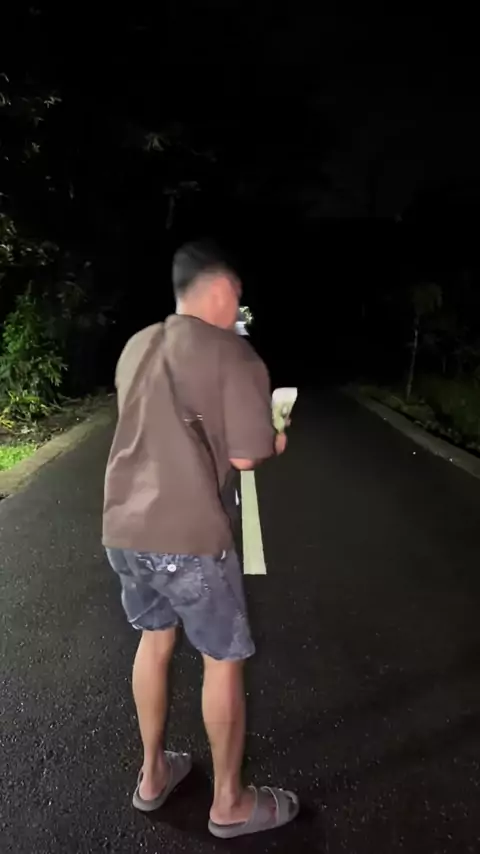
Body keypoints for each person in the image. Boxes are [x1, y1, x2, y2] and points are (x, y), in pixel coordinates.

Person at [102, 239, 298, 839]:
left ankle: (153, 774)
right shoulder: (232, 353)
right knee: (222, 659)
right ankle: (230, 804)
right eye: (236, 296)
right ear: (218, 291)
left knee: (154, 641)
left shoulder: (137, 345)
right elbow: (246, 455)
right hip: (187, 536)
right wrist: (277, 435)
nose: (239, 309)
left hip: (122, 529)